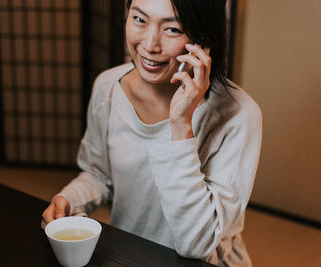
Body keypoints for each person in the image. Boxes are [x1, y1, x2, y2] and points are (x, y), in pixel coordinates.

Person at [42, 0, 262, 266]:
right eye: (139, 19)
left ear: (203, 40)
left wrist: (181, 125)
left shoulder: (238, 114)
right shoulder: (109, 88)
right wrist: (68, 199)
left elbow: (197, 243)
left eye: (172, 29)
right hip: (130, 256)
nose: (149, 44)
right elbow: (98, 174)